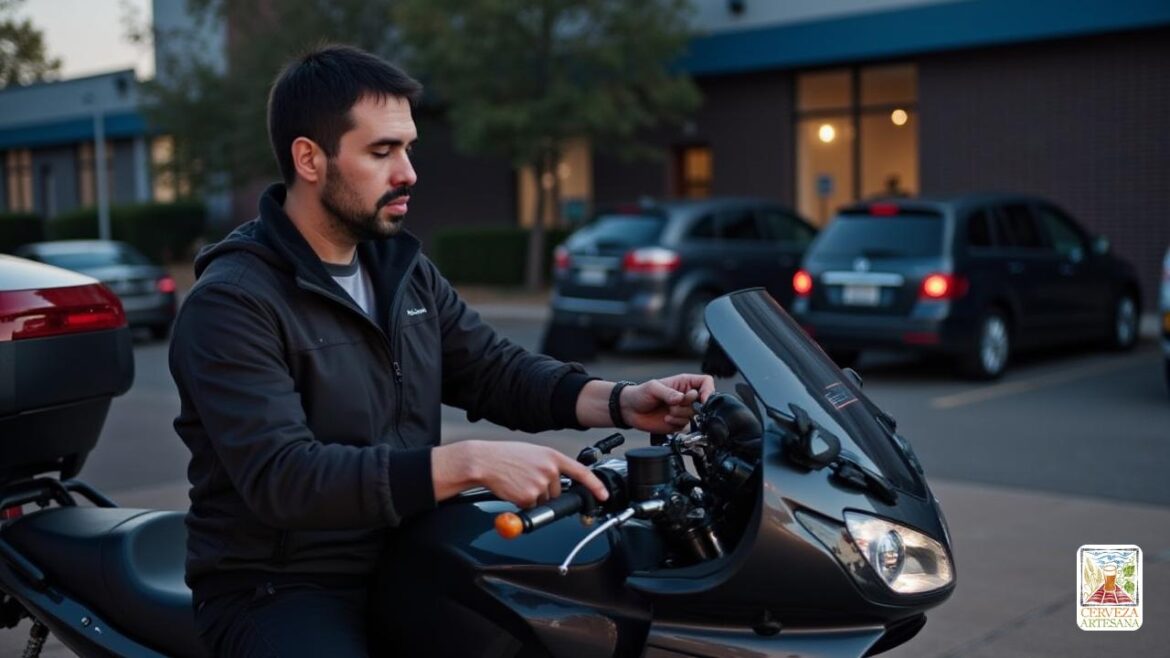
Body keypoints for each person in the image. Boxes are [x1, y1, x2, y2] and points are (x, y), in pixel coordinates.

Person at [169, 44, 715, 657]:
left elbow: (492, 369)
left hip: (408, 549)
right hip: (281, 586)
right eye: (382, 151)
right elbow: (285, 477)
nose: (408, 173)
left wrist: (621, 401)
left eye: (408, 148)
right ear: (310, 159)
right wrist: (469, 462)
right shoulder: (234, 302)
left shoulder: (400, 270)